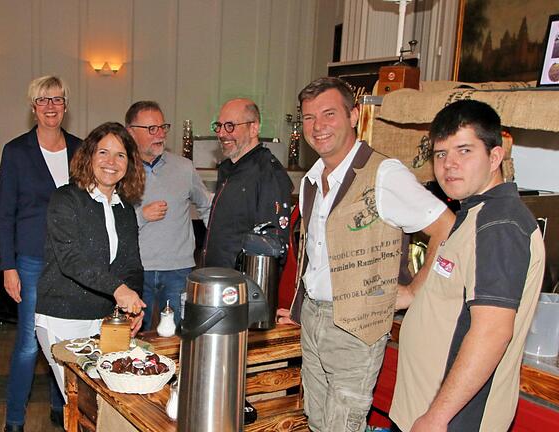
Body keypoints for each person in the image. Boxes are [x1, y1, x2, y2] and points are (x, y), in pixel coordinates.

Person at [277, 77, 454, 432]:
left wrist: (414, 292)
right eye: (309, 118)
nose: (318, 126)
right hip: (313, 319)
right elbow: (315, 254)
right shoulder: (311, 179)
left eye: (329, 114)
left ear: (354, 115)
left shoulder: (384, 174)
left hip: (356, 327)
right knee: (316, 419)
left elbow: (446, 226)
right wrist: (300, 309)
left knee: (343, 425)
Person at [389, 100, 545, 431]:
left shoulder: (500, 225)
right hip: (428, 412)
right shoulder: (473, 212)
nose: (449, 165)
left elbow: (491, 331)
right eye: (441, 154)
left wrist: (437, 416)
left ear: (495, 156)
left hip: (454, 421)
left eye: (464, 151)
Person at [35, 122, 146, 402]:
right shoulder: (66, 198)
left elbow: (131, 263)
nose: (111, 162)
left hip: (105, 321)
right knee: (81, 405)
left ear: (130, 163)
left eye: (120, 155)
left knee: (107, 404)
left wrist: (134, 303)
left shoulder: (125, 209)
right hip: (62, 316)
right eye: (103, 153)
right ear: (88, 156)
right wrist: (120, 290)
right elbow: (71, 259)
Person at [0, 76, 82, 432]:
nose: (51, 107)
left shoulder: (81, 149)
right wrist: (8, 266)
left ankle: (61, 408)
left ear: (65, 105)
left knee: (64, 340)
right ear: (33, 107)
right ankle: (14, 420)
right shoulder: (16, 151)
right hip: (31, 260)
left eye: (57, 100)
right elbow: (5, 214)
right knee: (29, 344)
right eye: (43, 100)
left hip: (72, 261)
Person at [125, 101, 211, 330]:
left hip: (178, 270)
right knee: (134, 337)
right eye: (152, 129)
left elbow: (207, 208)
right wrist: (141, 215)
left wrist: (220, 248)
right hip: (136, 269)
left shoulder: (184, 167)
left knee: (176, 338)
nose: (160, 134)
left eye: (163, 127)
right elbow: (109, 220)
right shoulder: (119, 169)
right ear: (130, 132)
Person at [202, 98, 293, 269]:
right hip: (217, 281)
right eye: (219, 126)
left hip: (243, 288)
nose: (222, 134)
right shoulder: (227, 168)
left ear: (254, 128)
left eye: (230, 126)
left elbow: (273, 247)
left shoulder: (268, 173)